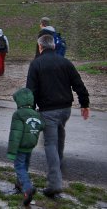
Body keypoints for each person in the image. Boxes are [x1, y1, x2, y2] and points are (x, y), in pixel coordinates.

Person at [26, 34, 90, 198]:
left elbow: (30, 91)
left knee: (50, 145)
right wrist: (84, 104)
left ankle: (55, 183)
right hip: (65, 110)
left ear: (40, 47)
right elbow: (78, 84)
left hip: (48, 111)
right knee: (59, 139)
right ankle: (57, 174)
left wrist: (30, 111)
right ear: (53, 46)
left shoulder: (36, 64)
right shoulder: (65, 62)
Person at [7, 88, 44, 206]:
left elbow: (15, 134)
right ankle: (20, 184)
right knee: (25, 166)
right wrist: (39, 114)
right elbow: (42, 126)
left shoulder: (18, 115)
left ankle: (27, 189)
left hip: (21, 147)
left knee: (19, 167)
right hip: (30, 146)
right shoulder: (35, 114)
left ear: (19, 101)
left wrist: (12, 152)